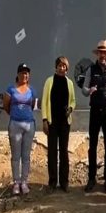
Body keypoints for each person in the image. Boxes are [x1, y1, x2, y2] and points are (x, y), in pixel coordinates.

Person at [82, 40, 106, 193]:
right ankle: (91, 178)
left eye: (105, 53)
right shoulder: (91, 70)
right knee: (92, 146)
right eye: (100, 53)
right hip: (95, 111)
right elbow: (84, 89)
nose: (103, 55)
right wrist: (89, 90)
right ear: (97, 54)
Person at [41, 56, 76, 193]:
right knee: (52, 152)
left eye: (64, 66)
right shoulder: (49, 81)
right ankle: (52, 182)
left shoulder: (70, 83)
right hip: (52, 122)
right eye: (60, 66)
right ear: (56, 67)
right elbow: (44, 101)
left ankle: (64, 182)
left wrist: (70, 108)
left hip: (65, 122)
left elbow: (73, 100)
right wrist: (44, 120)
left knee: (64, 151)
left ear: (67, 68)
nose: (62, 68)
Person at [3, 63, 37, 195]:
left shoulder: (32, 90)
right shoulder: (11, 89)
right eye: (22, 72)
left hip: (29, 125)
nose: (25, 75)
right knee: (16, 156)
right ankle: (16, 182)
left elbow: (32, 105)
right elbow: (6, 106)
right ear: (18, 74)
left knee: (26, 156)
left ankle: (24, 182)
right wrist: (15, 114)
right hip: (15, 125)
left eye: (27, 73)